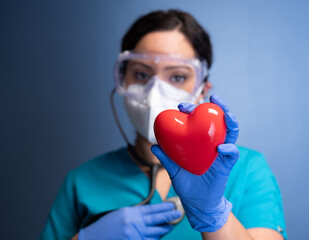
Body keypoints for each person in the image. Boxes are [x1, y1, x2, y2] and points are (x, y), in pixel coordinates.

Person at [39, 9, 287, 240]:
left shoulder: (246, 170)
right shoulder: (83, 181)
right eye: (142, 74)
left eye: (177, 76)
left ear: (203, 90)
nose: (155, 91)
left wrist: (214, 217)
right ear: (122, 81)